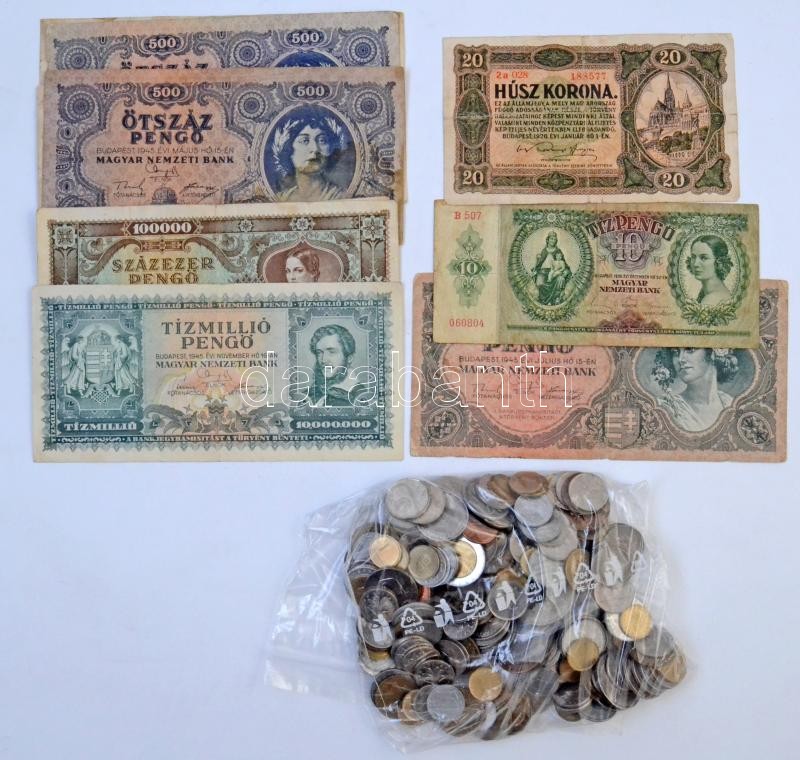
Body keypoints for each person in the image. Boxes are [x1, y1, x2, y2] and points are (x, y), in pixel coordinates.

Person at [651, 347, 739, 431]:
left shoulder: (730, 403)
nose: (680, 359)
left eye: (690, 349)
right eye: (675, 352)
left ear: (712, 353)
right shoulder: (666, 408)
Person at [272, 115, 346, 202]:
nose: (315, 149)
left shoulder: (341, 197)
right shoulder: (281, 198)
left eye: (322, 140)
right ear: (289, 150)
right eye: (304, 141)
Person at [304, 324, 371, 406]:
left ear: (349, 358)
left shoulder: (361, 397)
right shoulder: (308, 395)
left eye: (332, 352)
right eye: (319, 353)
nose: (323, 360)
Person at [686, 235, 733, 306]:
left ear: (719, 262)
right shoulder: (706, 292)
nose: (695, 264)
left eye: (704, 258)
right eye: (693, 257)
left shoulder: (710, 301)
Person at [531, 232, 572, 306]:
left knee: (560, 279)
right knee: (539, 281)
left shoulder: (558, 251)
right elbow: (539, 263)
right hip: (544, 272)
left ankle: (555, 299)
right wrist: (536, 269)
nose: (553, 241)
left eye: (554, 239)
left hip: (555, 272)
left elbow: (564, 264)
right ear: (548, 240)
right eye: (551, 239)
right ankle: (543, 299)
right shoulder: (544, 251)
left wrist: (566, 271)